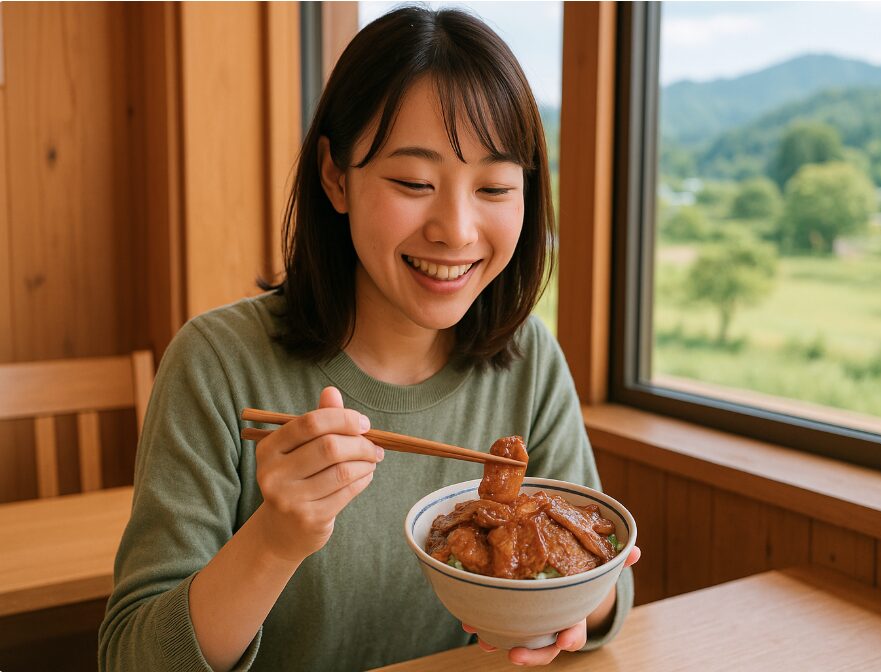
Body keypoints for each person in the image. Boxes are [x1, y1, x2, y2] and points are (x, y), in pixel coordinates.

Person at [99, 6, 639, 671]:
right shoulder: (217, 363)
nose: (457, 229)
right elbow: (132, 657)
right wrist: (274, 540)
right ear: (335, 176)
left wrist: (573, 599)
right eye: (414, 182)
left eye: (495, 186)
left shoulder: (527, 359)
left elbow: (607, 603)